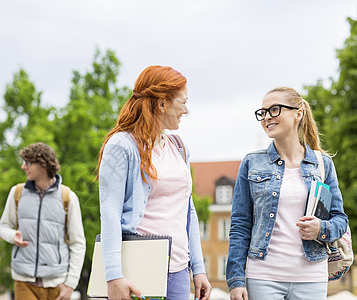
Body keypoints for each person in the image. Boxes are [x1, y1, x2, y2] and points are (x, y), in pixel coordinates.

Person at [97, 65, 212, 300]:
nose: (186, 110)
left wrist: (198, 268)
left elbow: (188, 210)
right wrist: (113, 275)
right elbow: (109, 213)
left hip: (178, 270)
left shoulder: (179, 147)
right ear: (162, 103)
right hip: (138, 269)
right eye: (183, 102)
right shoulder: (122, 145)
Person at [226, 87, 348, 300]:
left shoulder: (322, 165)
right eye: (263, 113)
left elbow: (339, 220)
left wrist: (321, 228)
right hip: (263, 275)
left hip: (311, 276)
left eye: (274, 110)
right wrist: (235, 280)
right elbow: (240, 225)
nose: (267, 118)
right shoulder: (251, 163)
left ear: (298, 113)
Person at [0, 142, 86, 300]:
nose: (23, 167)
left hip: (56, 283)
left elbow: (78, 243)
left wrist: (70, 284)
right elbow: (3, 227)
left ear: (44, 165)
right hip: (23, 281)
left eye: (29, 162)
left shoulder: (68, 197)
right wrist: (13, 236)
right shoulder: (17, 193)